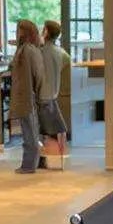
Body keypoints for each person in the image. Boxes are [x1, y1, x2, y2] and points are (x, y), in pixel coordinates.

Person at [10, 20, 45, 174]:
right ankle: (28, 163)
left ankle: (29, 164)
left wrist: (36, 92)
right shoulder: (26, 49)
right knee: (27, 130)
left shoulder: (28, 50)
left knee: (29, 131)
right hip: (24, 94)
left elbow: (38, 74)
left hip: (27, 95)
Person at [36, 20, 72, 169]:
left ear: (45, 32)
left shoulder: (40, 52)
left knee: (42, 130)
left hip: (41, 96)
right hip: (53, 95)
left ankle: (44, 159)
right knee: (55, 127)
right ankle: (50, 158)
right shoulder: (61, 53)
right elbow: (67, 63)